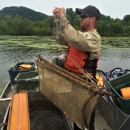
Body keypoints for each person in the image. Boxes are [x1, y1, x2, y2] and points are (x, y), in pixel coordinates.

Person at [52, 5, 101, 130]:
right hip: (73, 82)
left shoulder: (93, 37)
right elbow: (60, 38)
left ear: (92, 19)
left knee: (86, 122)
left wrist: (63, 16)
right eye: (80, 16)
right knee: (75, 117)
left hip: (85, 86)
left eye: (83, 16)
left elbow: (73, 37)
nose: (80, 19)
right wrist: (57, 20)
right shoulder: (78, 36)